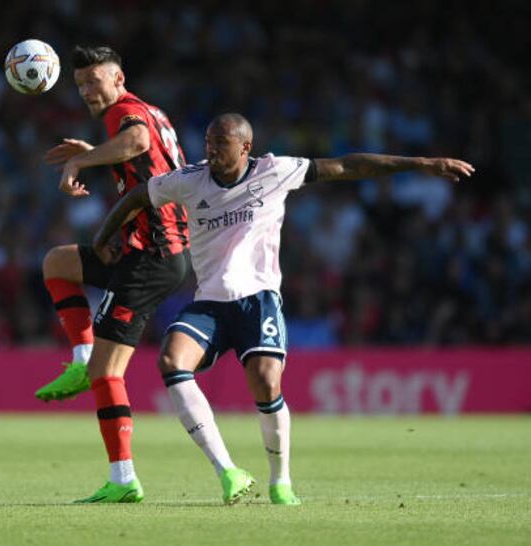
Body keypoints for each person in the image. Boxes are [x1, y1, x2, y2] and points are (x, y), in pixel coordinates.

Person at [92, 113, 474, 504]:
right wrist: (103, 237)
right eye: (208, 141)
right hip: (209, 302)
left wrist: (421, 164)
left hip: (258, 299)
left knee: (266, 381)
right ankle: (228, 472)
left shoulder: (275, 170)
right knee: (172, 362)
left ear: (244, 147)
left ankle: (281, 481)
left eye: (220, 142)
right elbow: (137, 196)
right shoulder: (189, 180)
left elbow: (346, 165)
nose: (210, 149)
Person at [36, 46, 190, 503]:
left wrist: (82, 161)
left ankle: (124, 480)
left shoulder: (125, 112)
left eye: (93, 81)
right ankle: (82, 359)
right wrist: (95, 155)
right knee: (57, 263)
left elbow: (138, 143)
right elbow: (145, 161)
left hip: (154, 254)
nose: (86, 91)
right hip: (144, 247)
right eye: (80, 84)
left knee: (109, 371)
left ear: (118, 78)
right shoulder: (146, 111)